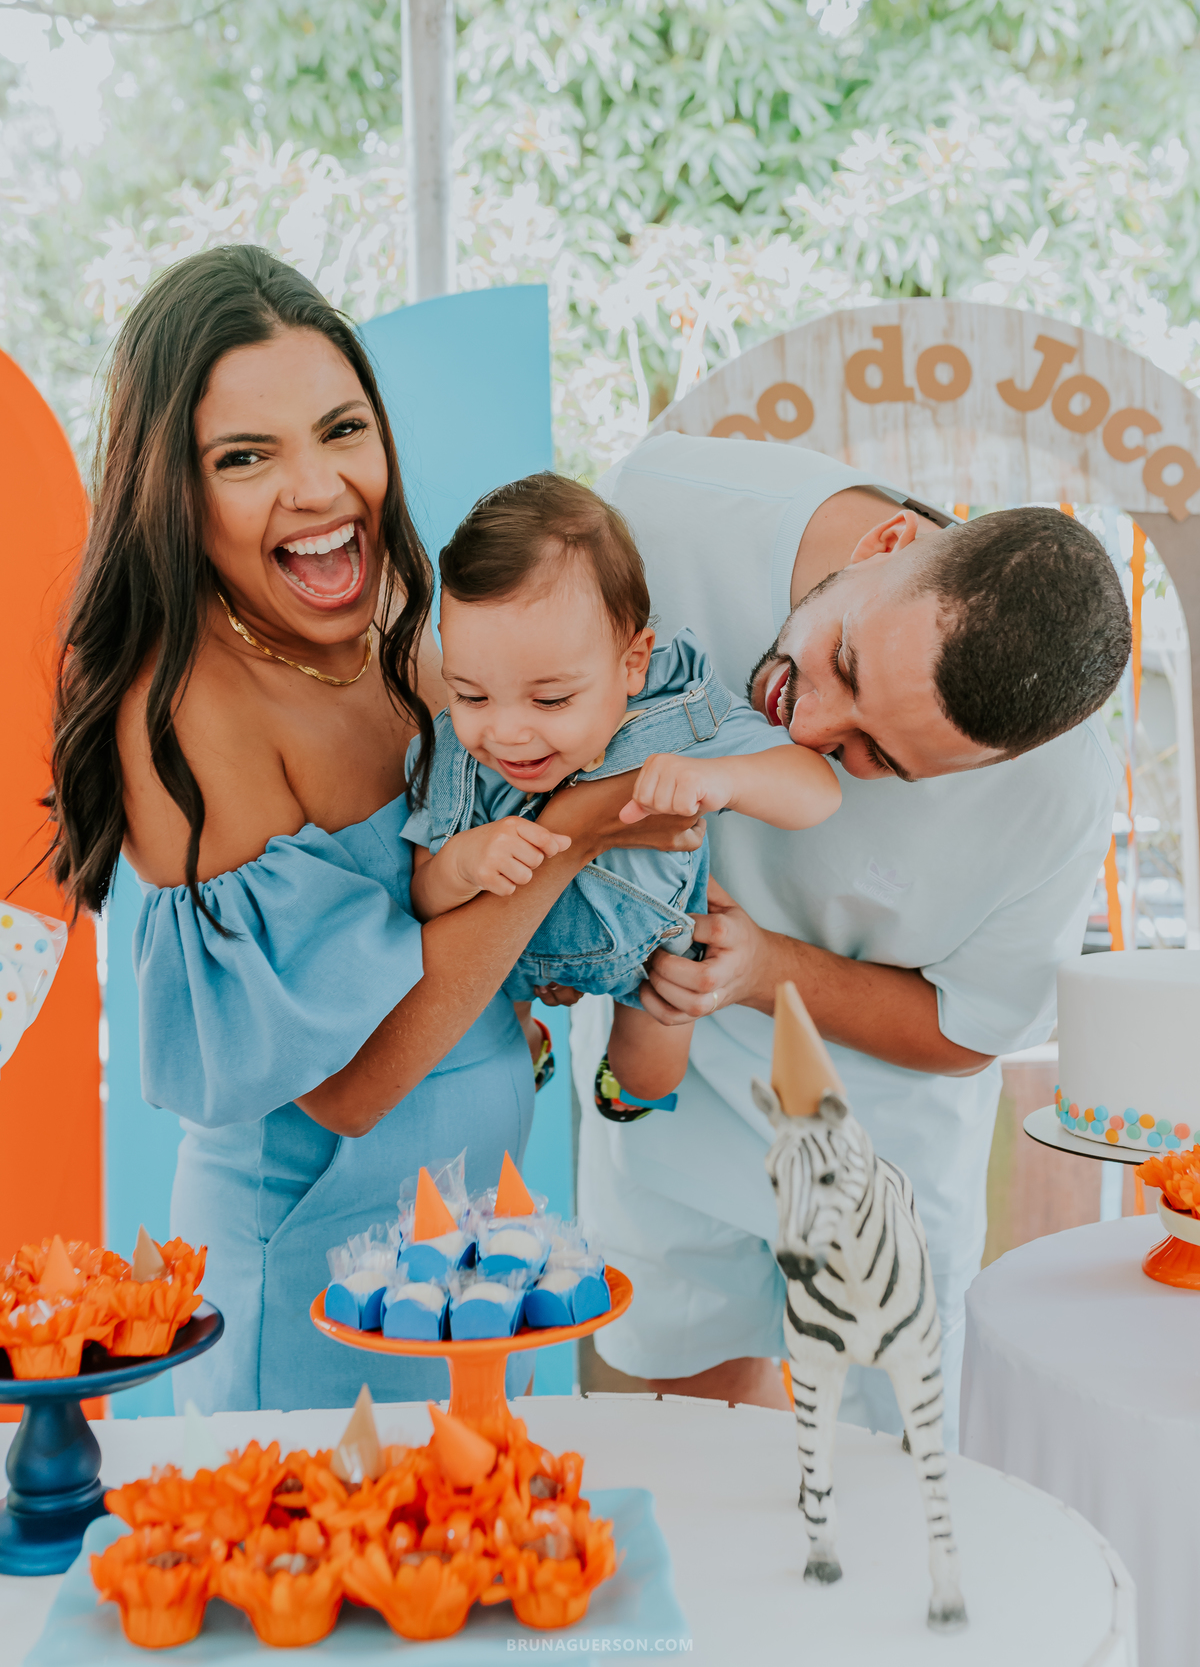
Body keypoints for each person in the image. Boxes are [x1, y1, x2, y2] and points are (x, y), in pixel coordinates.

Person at [46, 245, 700, 1414]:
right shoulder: (185, 708)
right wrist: (580, 834)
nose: (318, 488)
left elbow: (465, 907)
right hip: (319, 1281)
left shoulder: (396, 626)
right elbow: (349, 1085)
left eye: (342, 430)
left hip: (476, 1246)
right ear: (175, 491)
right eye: (245, 456)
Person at [570, 431, 1129, 1447]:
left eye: (879, 758)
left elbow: (965, 1030)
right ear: (888, 542)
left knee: (891, 1478)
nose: (809, 728)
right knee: (690, 1447)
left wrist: (763, 970)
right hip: (666, 1103)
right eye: (843, 662)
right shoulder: (658, 512)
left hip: (880, 1146)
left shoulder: (1059, 795)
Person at [403, 475, 840, 1111]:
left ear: (633, 663)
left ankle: (623, 1085)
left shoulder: (675, 710)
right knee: (488, 1042)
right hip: (507, 954)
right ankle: (531, 1039)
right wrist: (463, 865)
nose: (506, 733)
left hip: (651, 947)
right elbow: (422, 896)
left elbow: (817, 791)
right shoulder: (450, 756)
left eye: (550, 699)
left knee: (651, 1077)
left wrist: (724, 779)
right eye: (471, 695)